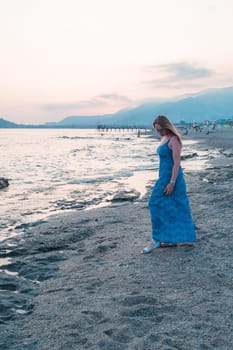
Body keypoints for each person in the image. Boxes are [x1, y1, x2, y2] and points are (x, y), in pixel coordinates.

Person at [142, 115, 197, 253]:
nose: (159, 132)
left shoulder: (174, 139)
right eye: (157, 130)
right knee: (168, 207)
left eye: (160, 130)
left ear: (166, 126)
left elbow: (177, 163)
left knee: (157, 203)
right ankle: (167, 240)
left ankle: (156, 240)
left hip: (173, 178)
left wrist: (172, 183)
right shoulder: (164, 138)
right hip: (163, 176)